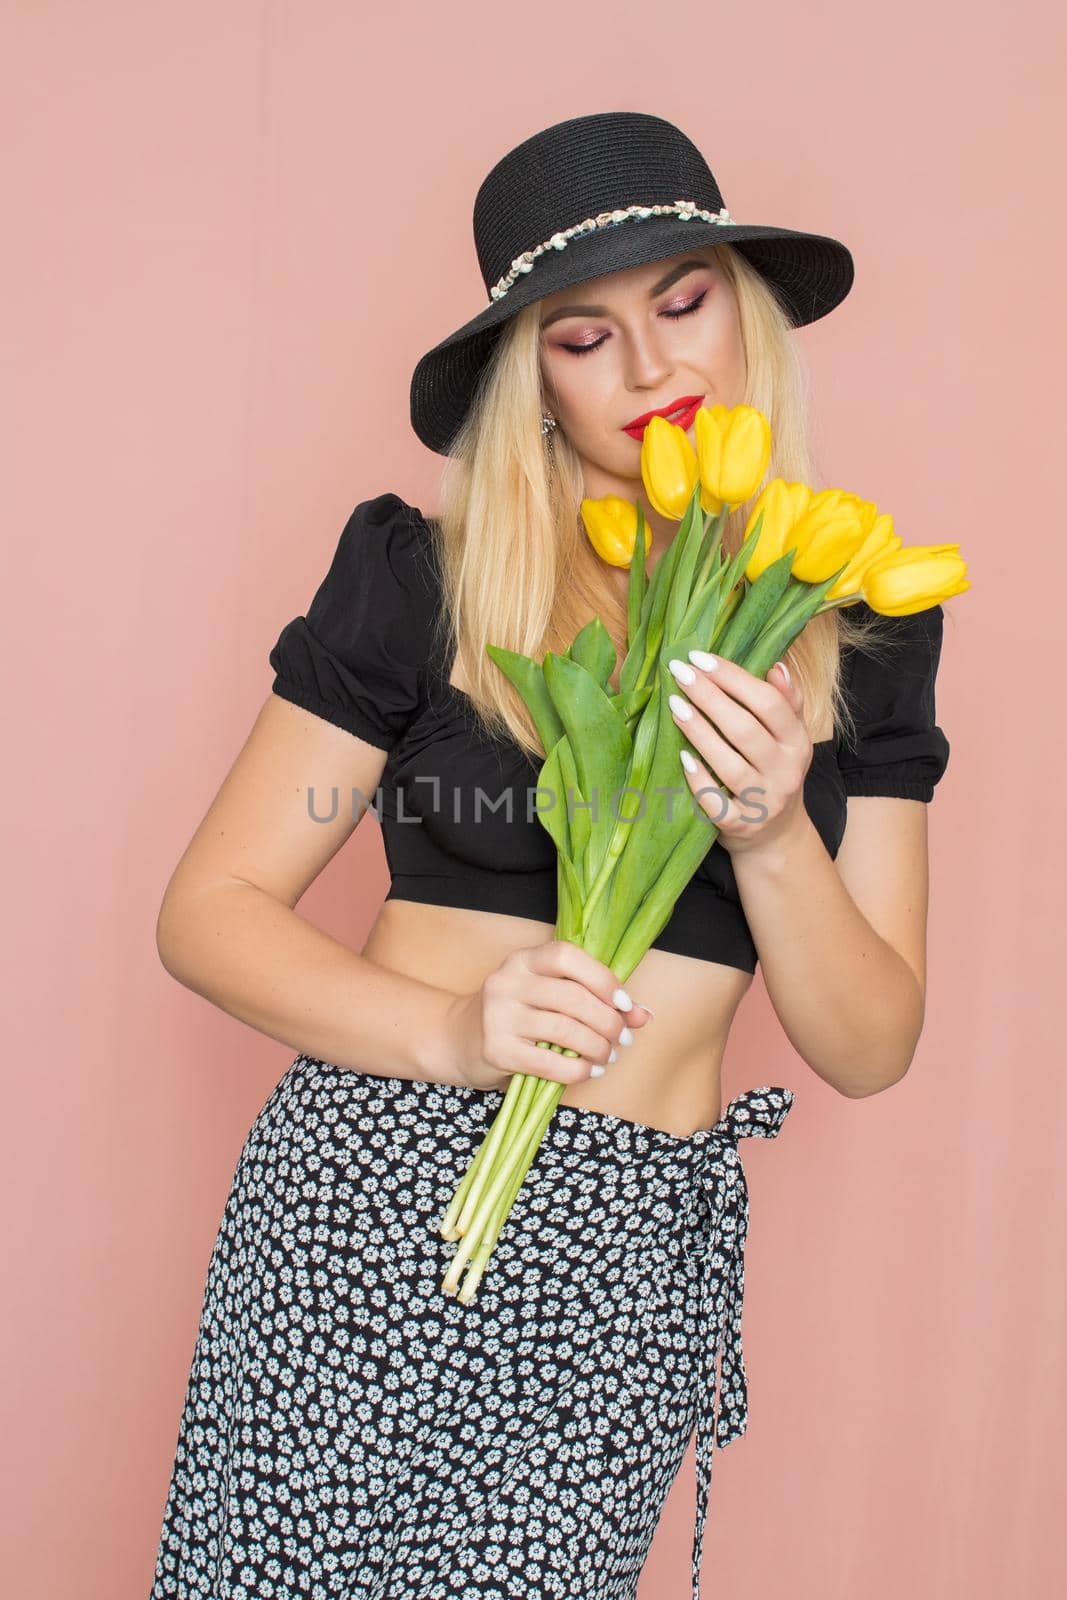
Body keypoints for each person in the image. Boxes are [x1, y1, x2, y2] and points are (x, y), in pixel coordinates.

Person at [148, 112, 951, 1600]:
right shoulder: (430, 576)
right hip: (366, 1200)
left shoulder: (861, 623)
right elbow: (209, 911)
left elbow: (873, 1044)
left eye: (681, 302)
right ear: (533, 378)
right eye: (583, 337)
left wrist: (770, 831)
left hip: (629, 1251)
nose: (650, 372)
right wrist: (452, 1031)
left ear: (745, 307)